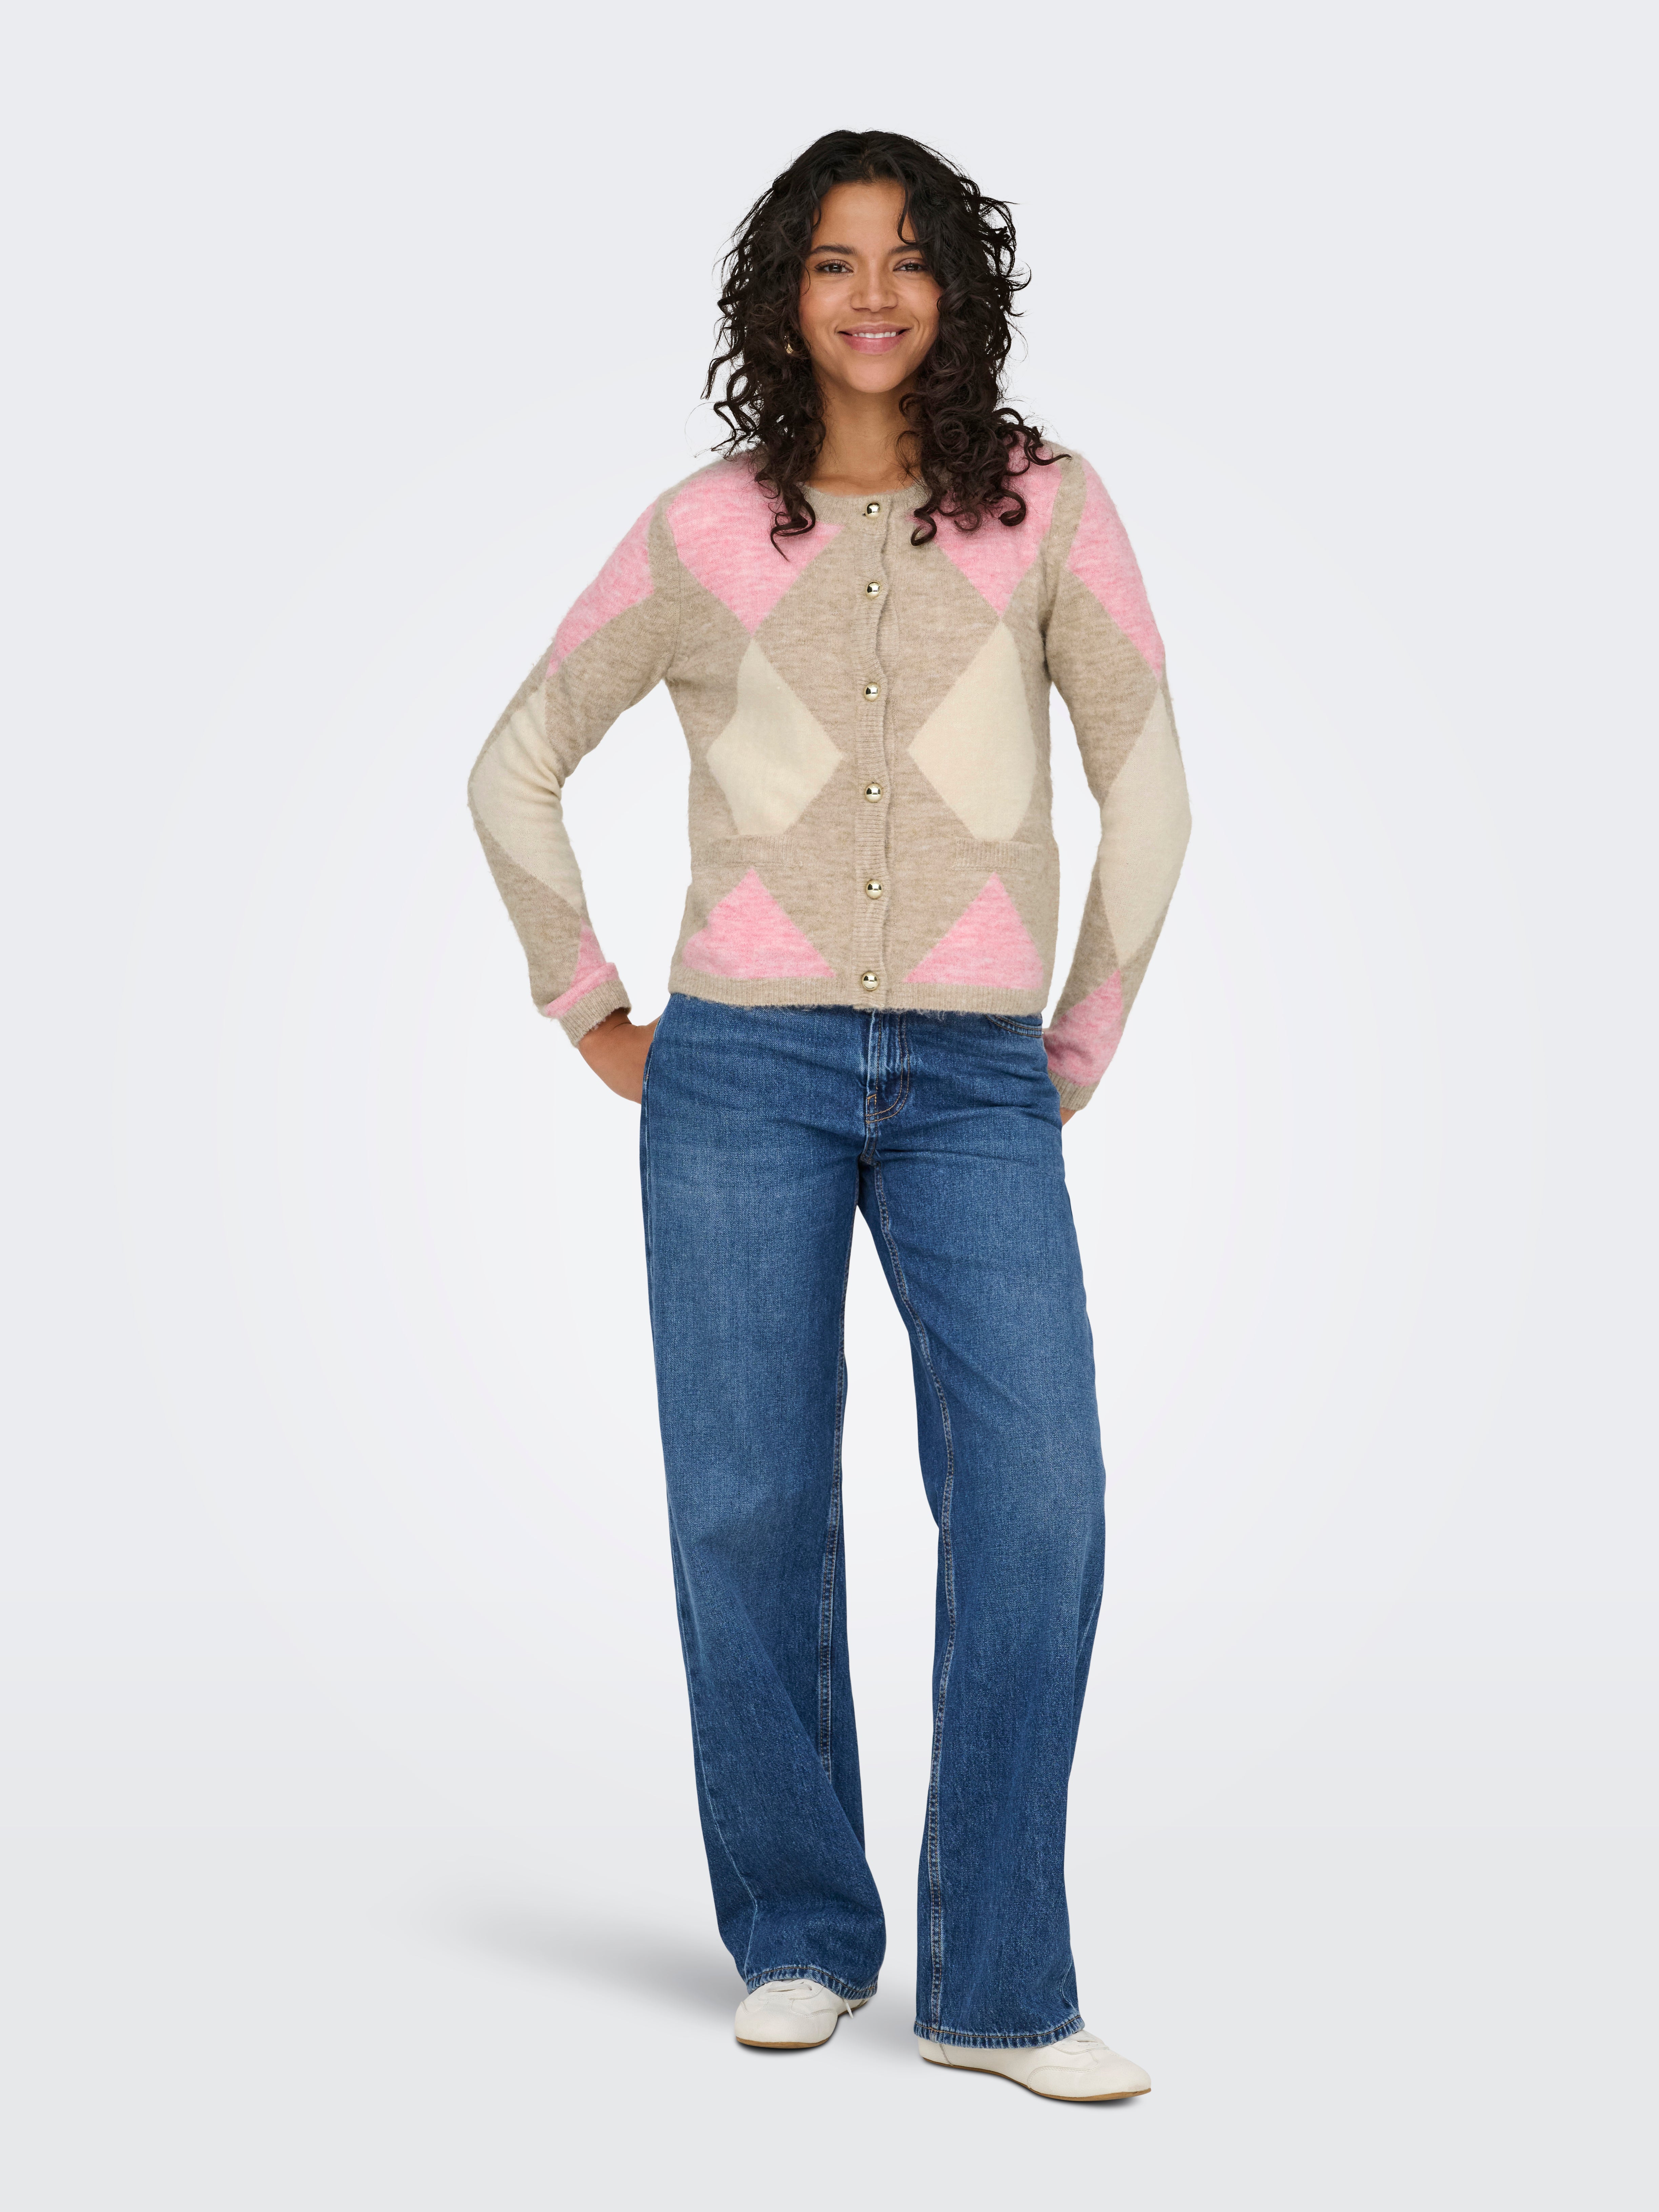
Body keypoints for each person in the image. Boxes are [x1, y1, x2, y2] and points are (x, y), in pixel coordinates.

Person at [467, 128, 1189, 2103]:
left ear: (960, 290)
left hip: (976, 1077)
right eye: (834, 262)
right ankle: (799, 1933)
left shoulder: (1048, 507)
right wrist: (589, 1007)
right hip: (741, 1070)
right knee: (749, 1505)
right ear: (782, 297)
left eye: (911, 259)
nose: (875, 296)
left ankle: (1001, 1984)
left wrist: (1075, 1046)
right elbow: (516, 762)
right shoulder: (705, 529)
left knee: (1039, 1500)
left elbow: (1150, 786)